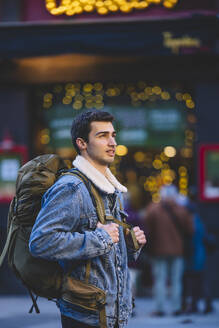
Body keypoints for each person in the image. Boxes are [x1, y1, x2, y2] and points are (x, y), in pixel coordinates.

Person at [29, 110, 146, 328]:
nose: (112, 142)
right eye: (102, 136)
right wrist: (100, 239)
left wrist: (129, 243)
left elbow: (108, 247)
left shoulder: (112, 189)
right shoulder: (72, 187)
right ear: (82, 143)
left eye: (113, 135)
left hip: (113, 315)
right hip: (85, 316)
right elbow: (40, 242)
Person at [143, 185, 193, 317]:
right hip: (178, 251)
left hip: (159, 250)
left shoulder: (154, 209)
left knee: (160, 279)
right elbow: (190, 230)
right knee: (176, 280)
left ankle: (160, 308)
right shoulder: (182, 209)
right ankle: (176, 308)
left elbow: (146, 224)